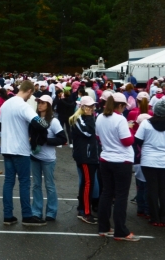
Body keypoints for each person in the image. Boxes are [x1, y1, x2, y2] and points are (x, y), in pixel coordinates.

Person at [0, 80, 50, 226]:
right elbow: (38, 123)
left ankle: (8, 215)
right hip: (20, 149)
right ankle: (27, 215)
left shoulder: (6, 104)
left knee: (8, 182)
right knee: (24, 183)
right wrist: (46, 124)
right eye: (31, 94)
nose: (30, 98)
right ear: (29, 91)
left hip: (7, 147)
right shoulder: (23, 105)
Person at [95, 92, 139, 241]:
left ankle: (103, 227)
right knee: (121, 195)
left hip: (106, 158)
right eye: (123, 106)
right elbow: (127, 141)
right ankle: (120, 231)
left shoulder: (100, 117)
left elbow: (98, 137)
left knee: (107, 193)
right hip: (122, 160)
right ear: (119, 105)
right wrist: (132, 130)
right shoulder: (120, 119)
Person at [135, 100, 165, 227]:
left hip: (148, 160)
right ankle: (164, 218)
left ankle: (154, 218)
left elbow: (138, 140)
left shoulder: (145, 124)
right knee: (164, 189)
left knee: (151, 188)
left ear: (154, 110)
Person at [31, 95, 66, 222]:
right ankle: (36, 211)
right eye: (39, 102)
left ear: (49, 105)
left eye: (43, 103)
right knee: (36, 185)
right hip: (34, 156)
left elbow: (63, 139)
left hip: (48, 159)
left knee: (49, 185)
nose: (40, 104)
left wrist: (45, 140)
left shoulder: (53, 121)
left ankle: (51, 212)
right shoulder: (35, 119)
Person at [70, 96, 99, 224]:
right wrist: (89, 117)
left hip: (90, 155)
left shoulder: (88, 118)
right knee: (88, 183)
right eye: (89, 106)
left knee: (86, 183)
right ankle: (86, 212)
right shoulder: (78, 119)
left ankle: (82, 208)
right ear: (82, 107)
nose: (92, 109)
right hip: (85, 156)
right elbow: (88, 132)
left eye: (93, 106)